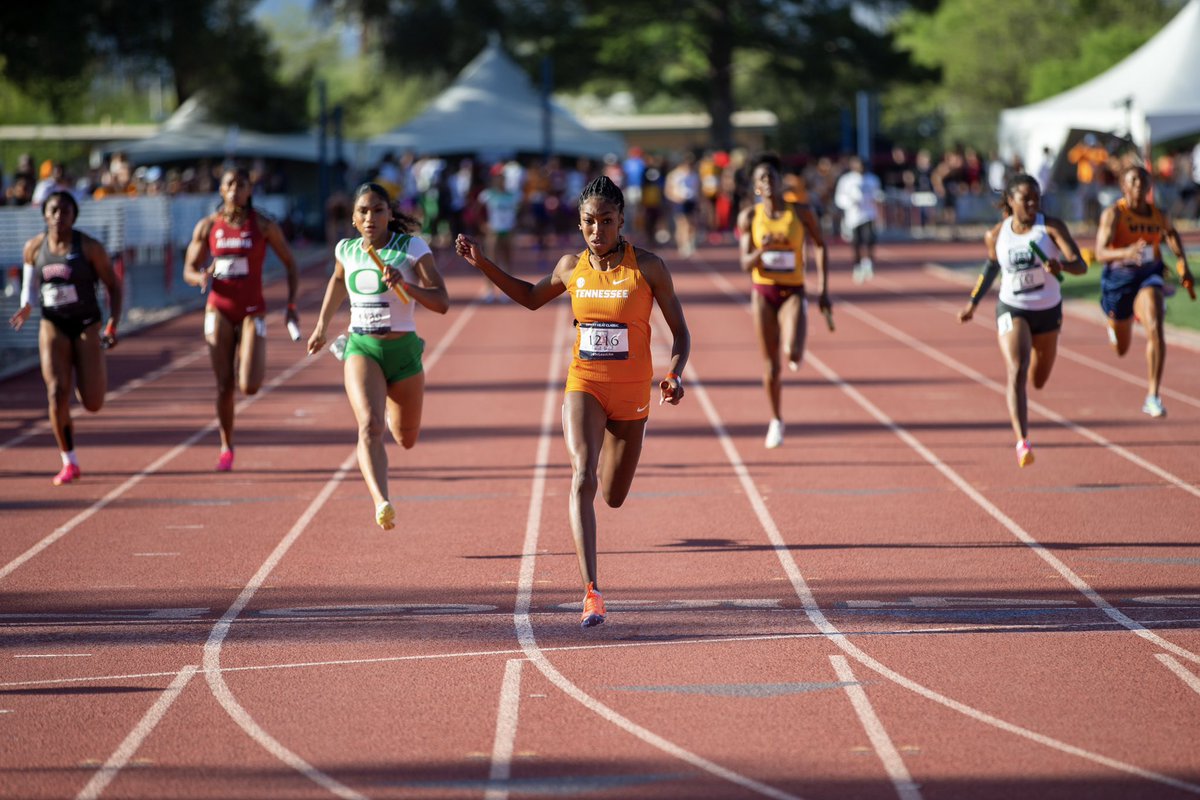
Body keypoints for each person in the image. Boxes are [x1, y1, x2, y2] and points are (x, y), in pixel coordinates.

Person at [454, 176, 690, 629]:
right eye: (588, 222)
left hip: (632, 395)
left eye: (605, 221)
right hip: (585, 383)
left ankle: (610, 458)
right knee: (582, 475)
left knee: (613, 495)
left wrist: (675, 374)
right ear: (579, 223)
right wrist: (483, 263)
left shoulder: (649, 267)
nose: (597, 230)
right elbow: (529, 297)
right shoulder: (570, 267)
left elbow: (680, 332)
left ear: (622, 220)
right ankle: (592, 592)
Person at [306, 183, 449, 530]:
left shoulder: (411, 247)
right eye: (363, 212)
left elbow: (441, 302)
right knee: (369, 425)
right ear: (354, 219)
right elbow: (338, 282)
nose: (371, 218)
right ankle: (381, 500)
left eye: (378, 210)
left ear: (389, 214)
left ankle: (391, 413)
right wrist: (322, 326)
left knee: (406, 438)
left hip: (403, 352)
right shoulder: (347, 250)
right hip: (362, 346)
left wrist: (405, 284)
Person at [957, 174, 1087, 467]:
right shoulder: (996, 234)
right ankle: (1022, 441)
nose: (1032, 203)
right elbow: (991, 268)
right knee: (1017, 368)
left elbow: (1080, 265)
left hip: (1048, 310)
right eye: (1025, 198)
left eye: (1036, 198)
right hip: (1012, 308)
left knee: (1038, 380)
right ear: (1010, 201)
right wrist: (972, 303)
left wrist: (1061, 266)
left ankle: (1028, 386)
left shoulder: (1051, 227)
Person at [183, 167, 300, 472]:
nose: (235, 189)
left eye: (241, 184)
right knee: (224, 385)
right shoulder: (208, 226)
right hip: (218, 308)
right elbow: (189, 268)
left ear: (250, 190)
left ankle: (230, 435)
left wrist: (291, 304)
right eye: (229, 184)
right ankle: (226, 445)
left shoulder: (262, 225)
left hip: (252, 310)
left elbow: (291, 264)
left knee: (248, 384)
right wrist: (200, 278)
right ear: (221, 190)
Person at [8, 191, 123, 485]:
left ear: (74, 216)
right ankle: (68, 460)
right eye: (54, 211)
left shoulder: (89, 248)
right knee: (56, 391)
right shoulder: (34, 248)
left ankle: (90, 372)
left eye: (66, 211)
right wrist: (26, 305)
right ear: (45, 215)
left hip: (86, 323)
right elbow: (31, 286)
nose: (60, 216)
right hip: (53, 323)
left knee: (93, 402)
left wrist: (112, 324)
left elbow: (114, 285)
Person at [738, 152, 830, 450]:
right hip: (763, 291)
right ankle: (776, 419)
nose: (767, 181)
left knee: (791, 353)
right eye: (761, 178)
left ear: (780, 182)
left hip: (793, 291)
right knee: (771, 366)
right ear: (756, 187)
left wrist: (824, 289)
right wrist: (760, 252)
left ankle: (796, 341)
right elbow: (744, 262)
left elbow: (820, 245)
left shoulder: (801, 212)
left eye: (771, 176)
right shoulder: (750, 217)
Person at [1094, 165, 1195, 418]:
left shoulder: (1157, 214)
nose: (1139, 185)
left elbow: (1171, 234)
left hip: (1148, 275)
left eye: (1143, 181)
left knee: (1156, 325)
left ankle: (1153, 395)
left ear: (1149, 186)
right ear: (1124, 186)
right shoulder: (1114, 214)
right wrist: (1126, 253)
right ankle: (1119, 321)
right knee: (1121, 349)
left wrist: (1182, 263)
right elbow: (1100, 253)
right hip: (1119, 281)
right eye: (1134, 181)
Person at [834, 155, 883, 283]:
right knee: (856, 243)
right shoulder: (846, 180)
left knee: (869, 239)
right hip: (853, 217)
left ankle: (868, 263)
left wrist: (877, 199)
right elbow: (839, 198)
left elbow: (877, 195)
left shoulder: (872, 179)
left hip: (869, 214)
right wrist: (850, 202)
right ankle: (857, 266)